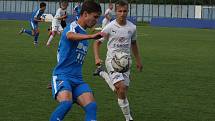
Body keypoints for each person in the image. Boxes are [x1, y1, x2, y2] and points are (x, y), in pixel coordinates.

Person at [49, 1, 104, 121]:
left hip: (77, 80)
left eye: (98, 17)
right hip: (62, 75)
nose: (96, 20)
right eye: (95, 17)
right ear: (85, 14)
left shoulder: (83, 33)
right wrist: (91, 37)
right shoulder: (73, 27)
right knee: (66, 104)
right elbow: (69, 35)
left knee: (91, 106)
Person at [93, 0, 143, 121]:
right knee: (120, 87)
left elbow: (134, 44)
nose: (122, 13)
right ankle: (128, 118)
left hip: (126, 62)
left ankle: (103, 74)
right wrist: (97, 58)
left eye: (125, 11)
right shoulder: (110, 27)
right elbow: (96, 43)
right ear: (115, 12)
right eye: (119, 11)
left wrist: (138, 60)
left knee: (121, 91)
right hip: (112, 61)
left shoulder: (132, 27)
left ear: (127, 11)